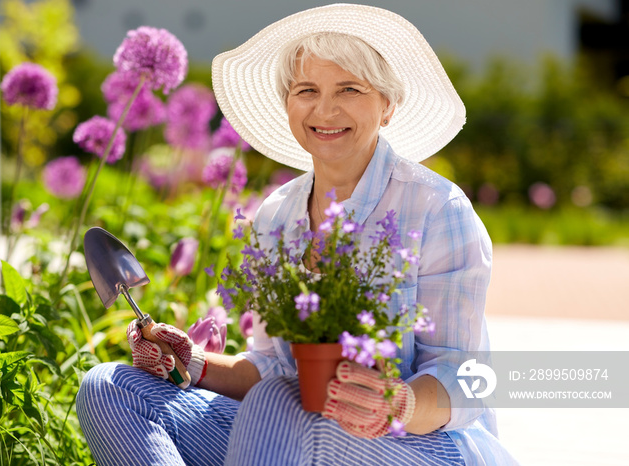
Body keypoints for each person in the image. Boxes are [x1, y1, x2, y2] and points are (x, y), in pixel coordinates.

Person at [76, 4, 518, 465]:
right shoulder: (276, 215)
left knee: (282, 406)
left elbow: (464, 377)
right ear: (288, 103)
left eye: (349, 89)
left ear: (387, 105)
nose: (325, 109)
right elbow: (271, 367)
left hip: (422, 447)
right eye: (307, 90)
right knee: (109, 388)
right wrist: (194, 362)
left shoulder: (436, 209)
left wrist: (397, 404)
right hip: (284, 436)